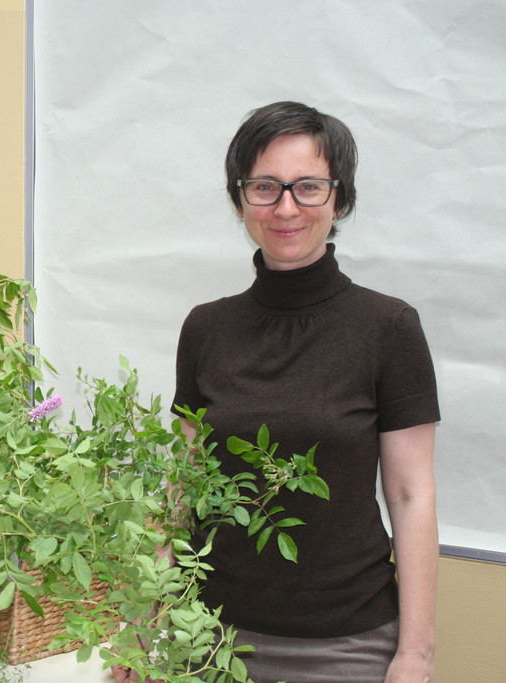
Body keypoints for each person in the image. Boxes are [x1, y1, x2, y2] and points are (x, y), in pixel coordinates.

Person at [152, 102, 438, 683]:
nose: (286, 208)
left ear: (339, 199)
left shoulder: (389, 327)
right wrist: (149, 615)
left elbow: (411, 496)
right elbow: (183, 487)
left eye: (308, 187)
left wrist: (416, 653)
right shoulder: (206, 328)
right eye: (265, 187)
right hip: (206, 633)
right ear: (239, 201)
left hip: (348, 643)